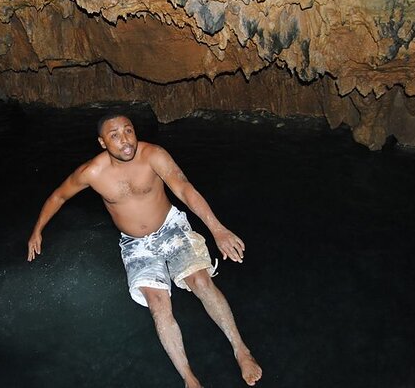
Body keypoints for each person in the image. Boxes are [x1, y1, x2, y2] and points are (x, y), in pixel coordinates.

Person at [27, 113, 262, 387]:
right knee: (159, 306)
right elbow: (59, 195)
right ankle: (189, 377)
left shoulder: (154, 155)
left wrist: (217, 229)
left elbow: (184, 189)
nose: (125, 140)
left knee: (200, 281)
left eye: (128, 131)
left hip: (170, 227)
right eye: (114, 135)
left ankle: (241, 350)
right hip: (135, 244)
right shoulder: (92, 173)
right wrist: (37, 230)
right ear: (102, 143)